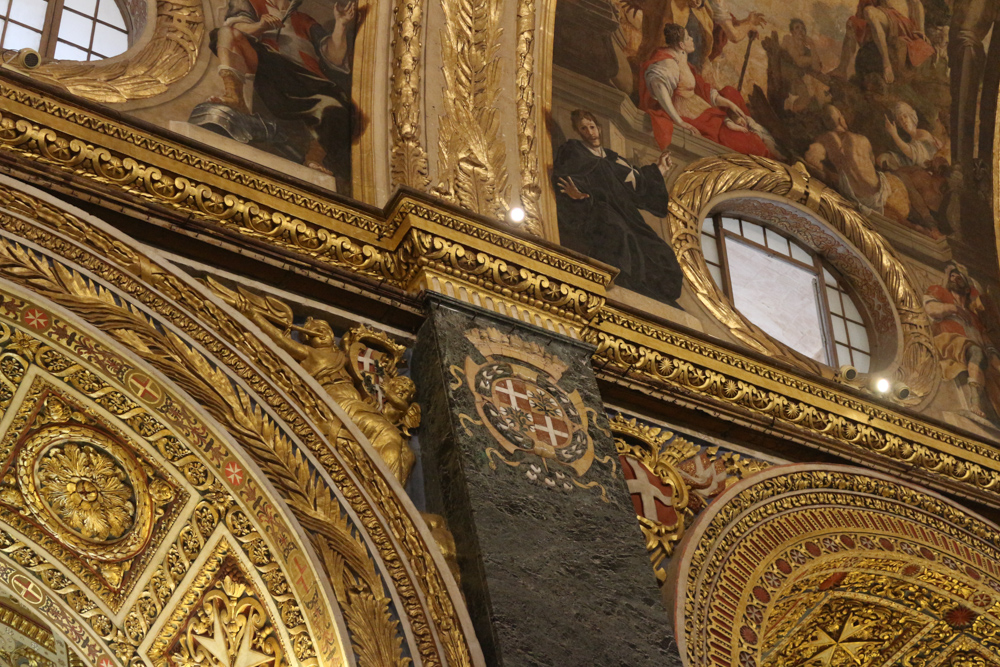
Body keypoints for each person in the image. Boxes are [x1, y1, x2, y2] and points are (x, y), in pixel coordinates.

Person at [207, 0, 357, 180]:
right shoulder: (252, 4)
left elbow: (335, 57)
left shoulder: (304, 20)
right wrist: (260, 26)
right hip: (270, 69)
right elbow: (237, 27)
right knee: (224, 34)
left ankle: (314, 158)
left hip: (304, 80)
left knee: (335, 106)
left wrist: (340, 24)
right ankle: (234, 95)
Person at [552, 110, 684, 306]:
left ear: (599, 128)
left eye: (592, 127)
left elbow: (635, 180)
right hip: (599, 209)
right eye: (584, 129)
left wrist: (660, 169)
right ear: (578, 132)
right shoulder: (574, 152)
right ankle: (623, 286)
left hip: (628, 213)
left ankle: (650, 292)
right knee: (619, 234)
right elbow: (565, 178)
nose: (590, 132)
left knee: (660, 251)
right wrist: (577, 196)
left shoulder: (612, 157)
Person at [639, 23, 773, 155]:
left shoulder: (682, 59)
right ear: (681, 45)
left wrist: (730, 104)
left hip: (704, 112)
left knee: (740, 123)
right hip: (693, 116)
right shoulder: (669, 63)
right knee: (745, 142)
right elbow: (659, 86)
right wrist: (679, 121)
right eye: (688, 37)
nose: (692, 38)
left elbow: (702, 90)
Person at [805, 105, 910, 222]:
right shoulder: (862, 139)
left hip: (857, 195)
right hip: (880, 189)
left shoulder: (824, 139)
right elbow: (872, 162)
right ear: (841, 119)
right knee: (900, 182)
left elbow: (810, 159)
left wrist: (831, 172)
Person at [924, 263, 1000, 419]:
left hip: (973, 350)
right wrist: (953, 308)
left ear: (967, 289)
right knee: (976, 351)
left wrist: (993, 355)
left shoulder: (974, 316)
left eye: (959, 276)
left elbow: (985, 340)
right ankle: (974, 403)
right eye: (952, 276)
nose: (954, 277)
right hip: (948, 342)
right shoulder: (942, 297)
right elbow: (931, 309)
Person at [877, 101, 948, 230]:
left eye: (905, 116)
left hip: (935, 180)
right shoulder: (913, 139)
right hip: (924, 179)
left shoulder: (922, 134)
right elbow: (907, 158)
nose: (903, 121)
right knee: (902, 176)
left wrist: (894, 135)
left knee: (905, 176)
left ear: (912, 116)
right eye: (900, 119)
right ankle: (926, 221)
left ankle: (929, 221)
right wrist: (888, 157)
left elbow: (916, 155)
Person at [832, 0, 934, 83]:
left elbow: (917, 3)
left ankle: (886, 64)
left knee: (869, 12)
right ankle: (842, 68)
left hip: (901, 21)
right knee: (852, 22)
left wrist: (921, 31)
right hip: (885, 17)